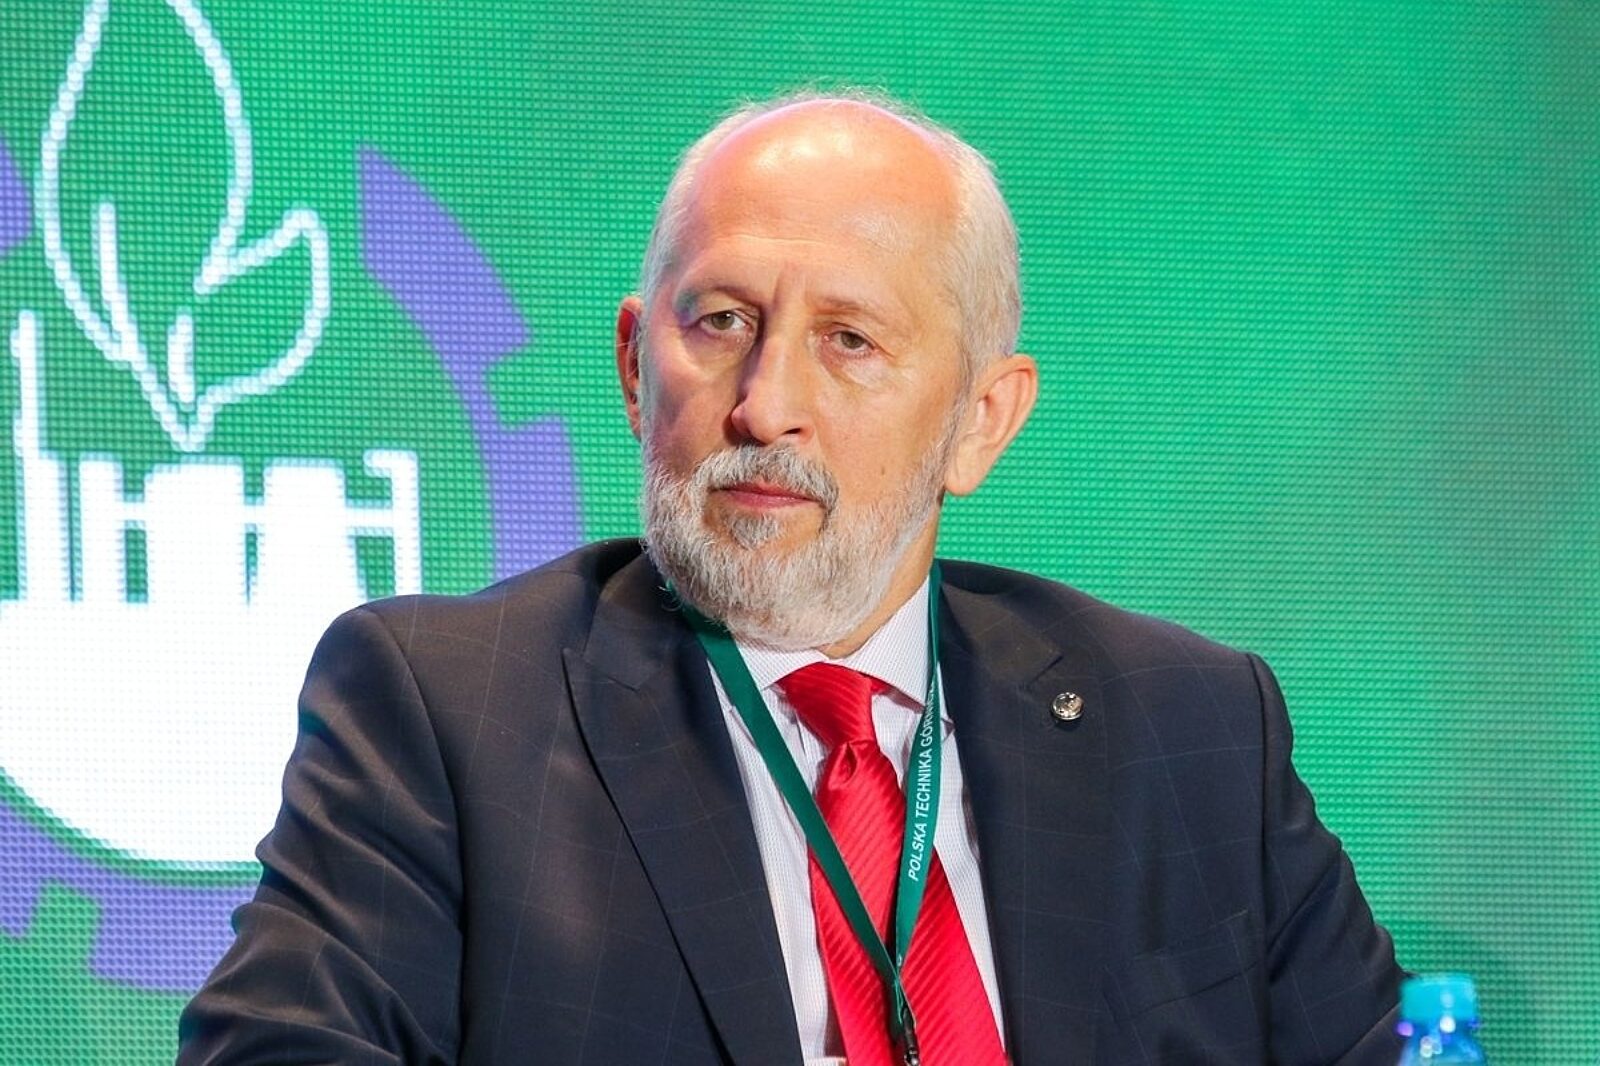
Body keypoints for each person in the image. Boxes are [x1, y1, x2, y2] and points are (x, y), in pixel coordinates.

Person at [179, 92, 1404, 1064]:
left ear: (979, 421)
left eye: (848, 341)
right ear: (634, 366)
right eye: (720, 321)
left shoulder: (1187, 724)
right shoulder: (450, 710)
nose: (766, 406)